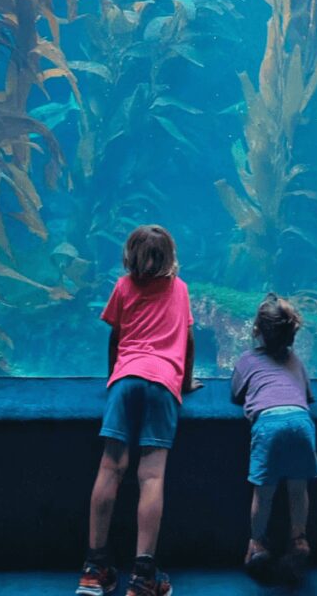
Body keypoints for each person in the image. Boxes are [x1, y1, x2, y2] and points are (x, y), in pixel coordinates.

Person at [76, 225, 199, 596]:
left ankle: (94, 569)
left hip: (125, 380)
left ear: (129, 254)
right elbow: (188, 341)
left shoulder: (123, 286)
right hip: (163, 383)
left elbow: (115, 338)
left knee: (110, 468)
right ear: (170, 257)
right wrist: (185, 382)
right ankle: (144, 576)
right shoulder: (180, 289)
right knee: (151, 476)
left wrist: (114, 377)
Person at [230, 293, 317, 581]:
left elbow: (236, 394)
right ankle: (298, 539)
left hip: (268, 424)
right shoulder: (296, 361)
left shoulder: (247, 359)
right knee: (298, 487)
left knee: (264, 493)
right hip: (301, 422)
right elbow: (307, 395)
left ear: (257, 329)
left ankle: (256, 544)